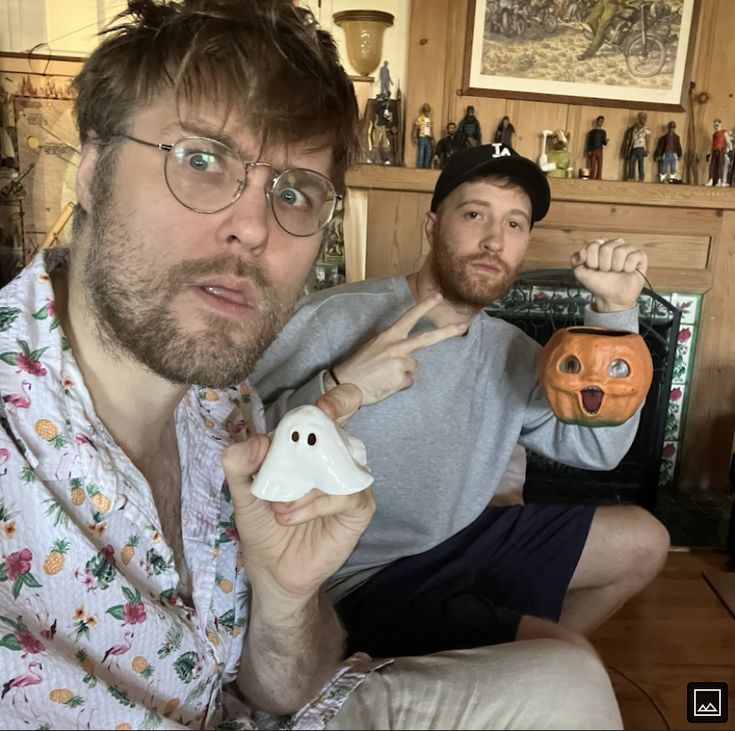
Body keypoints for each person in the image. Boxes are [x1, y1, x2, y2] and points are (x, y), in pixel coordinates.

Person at [0, 2, 625, 729]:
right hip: (384, 580)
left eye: (292, 190)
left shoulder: (223, 406)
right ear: (92, 167)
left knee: (575, 673)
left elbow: (286, 683)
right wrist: (343, 387)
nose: (254, 225)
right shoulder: (335, 320)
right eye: (200, 160)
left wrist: (288, 596)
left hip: (307, 670)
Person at [253, 142, 669, 662]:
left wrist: (614, 314)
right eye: (475, 214)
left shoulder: (514, 351)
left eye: (515, 224)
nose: (494, 240)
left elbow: (597, 450)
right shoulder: (336, 318)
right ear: (432, 226)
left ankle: (502, 667)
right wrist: (339, 387)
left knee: (645, 541)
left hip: (461, 539)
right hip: (358, 574)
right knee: (567, 657)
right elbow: (220, 431)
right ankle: (522, 661)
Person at [705, 118, 734, 187]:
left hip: (721, 150)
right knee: (712, 165)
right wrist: (710, 153)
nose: (716, 127)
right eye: (714, 125)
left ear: (720, 124)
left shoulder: (724, 132)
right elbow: (713, 144)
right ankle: (711, 180)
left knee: (720, 166)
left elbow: (728, 141)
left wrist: (730, 149)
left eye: (717, 125)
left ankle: (719, 180)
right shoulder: (714, 134)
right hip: (715, 150)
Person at [622, 111, 651, 182]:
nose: (644, 119)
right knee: (631, 162)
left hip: (641, 148)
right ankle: (630, 176)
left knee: (640, 163)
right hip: (634, 147)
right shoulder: (634, 128)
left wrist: (647, 149)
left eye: (645, 118)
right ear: (639, 118)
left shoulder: (646, 129)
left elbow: (648, 140)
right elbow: (630, 138)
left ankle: (641, 177)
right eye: (642, 118)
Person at [585, 115, 608, 180]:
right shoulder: (592, 132)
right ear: (597, 121)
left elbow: (604, 143)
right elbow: (589, 142)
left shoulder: (603, 132)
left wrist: (606, 141)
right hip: (593, 149)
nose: (601, 122)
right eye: (600, 121)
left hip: (600, 149)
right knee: (593, 164)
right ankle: (592, 176)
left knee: (600, 164)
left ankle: (599, 176)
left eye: (602, 121)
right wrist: (589, 150)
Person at [413, 102, 433, 169]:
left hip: (428, 137)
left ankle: (426, 167)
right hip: (422, 137)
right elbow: (415, 128)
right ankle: (420, 168)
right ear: (423, 110)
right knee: (421, 153)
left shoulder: (430, 119)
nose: (427, 112)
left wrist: (432, 137)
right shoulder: (420, 118)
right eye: (425, 110)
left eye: (428, 110)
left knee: (428, 153)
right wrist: (414, 137)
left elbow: (430, 129)